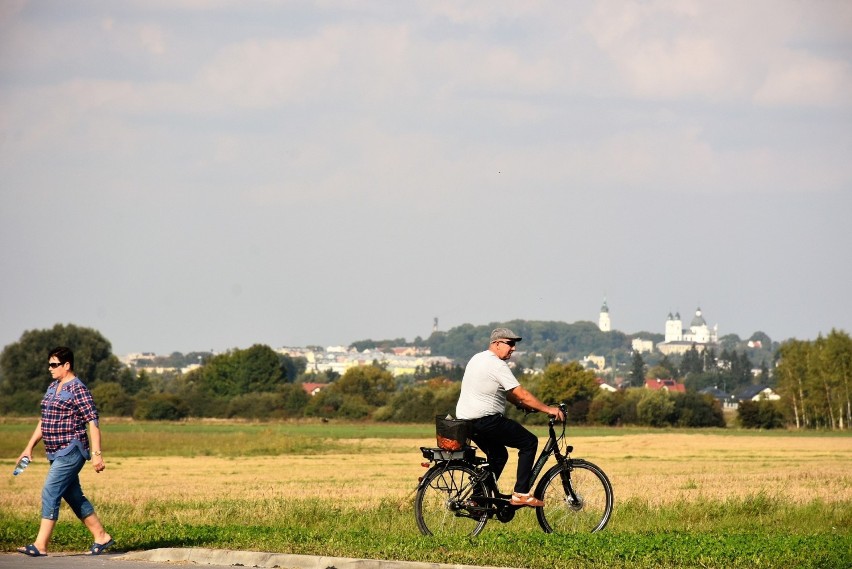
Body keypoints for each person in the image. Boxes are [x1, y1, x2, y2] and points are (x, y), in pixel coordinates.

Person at [15, 346, 114, 557]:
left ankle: (40, 544)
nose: (50, 368)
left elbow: (92, 422)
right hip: (54, 451)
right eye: (49, 364)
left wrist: (97, 454)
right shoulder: (53, 387)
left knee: (50, 490)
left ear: (66, 365)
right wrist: (28, 447)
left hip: (72, 450)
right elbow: (45, 421)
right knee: (73, 496)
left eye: (54, 365)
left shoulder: (79, 389)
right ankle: (101, 536)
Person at [455, 328, 564, 507]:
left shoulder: (477, 358)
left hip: (467, 423)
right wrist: (548, 409)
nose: (513, 348)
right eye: (510, 344)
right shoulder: (497, 364)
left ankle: (477, 500)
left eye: (515, 345)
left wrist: (523, 406)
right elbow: (521, 394)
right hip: (487, 421)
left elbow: (509, 395)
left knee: (498, 456)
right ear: (497, 344)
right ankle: (521, 493)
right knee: (529, 442)